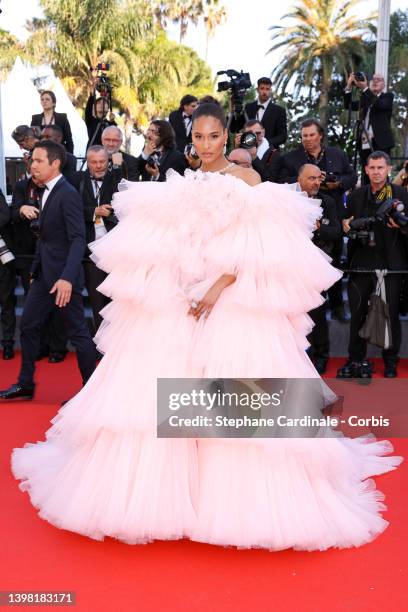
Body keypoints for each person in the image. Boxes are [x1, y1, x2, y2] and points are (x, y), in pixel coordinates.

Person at [10, 105, 402, 551]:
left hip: (230, 300)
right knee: (164, 391)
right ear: (191, 138)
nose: (206, 145)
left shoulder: (249, 182)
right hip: (182, 300)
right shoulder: (182, 184)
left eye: (214, 136)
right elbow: (169, 246)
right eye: (198, 137)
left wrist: (215, 288)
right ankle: (170, 497)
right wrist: (179, 285)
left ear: (226, 136)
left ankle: (231, 502)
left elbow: (257, 251)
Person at [0, 140, 96, 401]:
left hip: (63, 280)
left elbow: (78, 239)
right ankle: (25, 383)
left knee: (79, 334)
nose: (32, 165)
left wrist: (67, 278)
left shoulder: (67, 193)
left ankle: (91, 394)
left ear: (55, 164)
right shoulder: (47, 191)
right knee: (29, 326)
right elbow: (47, 238)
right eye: (32, 161)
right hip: (44, 276)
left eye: (39, 161)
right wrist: (35, 269)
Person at [337, 151, 408, 380]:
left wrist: (400, 227)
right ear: (366, 170)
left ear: (389, 169)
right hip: (360, 263)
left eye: (380, 168)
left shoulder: (401, 195)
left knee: (391, 315)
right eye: (372, 168)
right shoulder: (356, 196)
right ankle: (355, 358)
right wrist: (348, 225)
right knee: (357, 314)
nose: (376, 172)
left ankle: (390, 361)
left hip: (392, 263)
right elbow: (344, 224)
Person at [279, 118, 358, 322]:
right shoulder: (291, 158)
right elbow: (281, 180)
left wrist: (337, 182)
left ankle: (338, 306)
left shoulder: (337, 155)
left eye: (311, 135)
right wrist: (306, 179)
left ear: (320, 135)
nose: (307, 139)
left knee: (334, 261)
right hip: (302, 217)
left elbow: (352, 176)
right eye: (304, 135)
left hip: (332, 213)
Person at [70, 146, 120, 335]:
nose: (99, 166)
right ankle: (101, 343)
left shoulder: (118, 179)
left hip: (116, 251)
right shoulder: (76, 180)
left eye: (103, 161)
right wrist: (93, 211)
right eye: (94, 162)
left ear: (109, 160)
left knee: (118, 300)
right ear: (87, 162)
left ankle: (119, 342)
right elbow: (71, 209)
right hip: (89, 251)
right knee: (97, 300)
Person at [297, 164, 341, 374]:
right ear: (299, 179)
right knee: (294, 313)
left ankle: (321, 355)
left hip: (316, 267)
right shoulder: (289, 200)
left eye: (317, 178)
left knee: (317, 313)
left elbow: (336, 232)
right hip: (291, 267)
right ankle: (298, 355)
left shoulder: (328, 202)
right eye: (311, 178)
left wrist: (318, 228)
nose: (315, 182)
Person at [344, 73, 394, 183]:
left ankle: (383, 199)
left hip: (381, 142)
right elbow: (348, 105)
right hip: (364, 140)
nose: (375, 81)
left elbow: (379, 105)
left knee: (381, 172)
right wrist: (348, 87)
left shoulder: (388, 97)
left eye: (379, 80)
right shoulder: (365, 98)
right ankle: (366, 197)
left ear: (384, 85)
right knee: (366, 171)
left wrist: (365, 88)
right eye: (373, 79)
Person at [244, 77, 287, 148]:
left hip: (270, 153)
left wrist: (264, 143)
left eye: (267, 89)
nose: (265, 92)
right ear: (257, 90)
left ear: (270, 90)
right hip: (248, 152)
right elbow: (236, 128)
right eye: (262, 88)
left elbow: (283, 136)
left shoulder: (279, 111)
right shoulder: (248, 107)